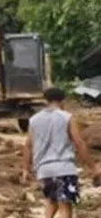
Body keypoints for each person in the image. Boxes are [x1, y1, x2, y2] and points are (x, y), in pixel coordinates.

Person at [22, 87, 101, 218]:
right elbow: (79, 143)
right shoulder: (67, 117)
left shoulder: (34, 120)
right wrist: (93, 168)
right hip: (64, 169)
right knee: (65, 205)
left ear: (45, 101)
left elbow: (28, 146)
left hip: (44, 170)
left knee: (51, 201)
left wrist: (25, 169)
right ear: (63, 101)